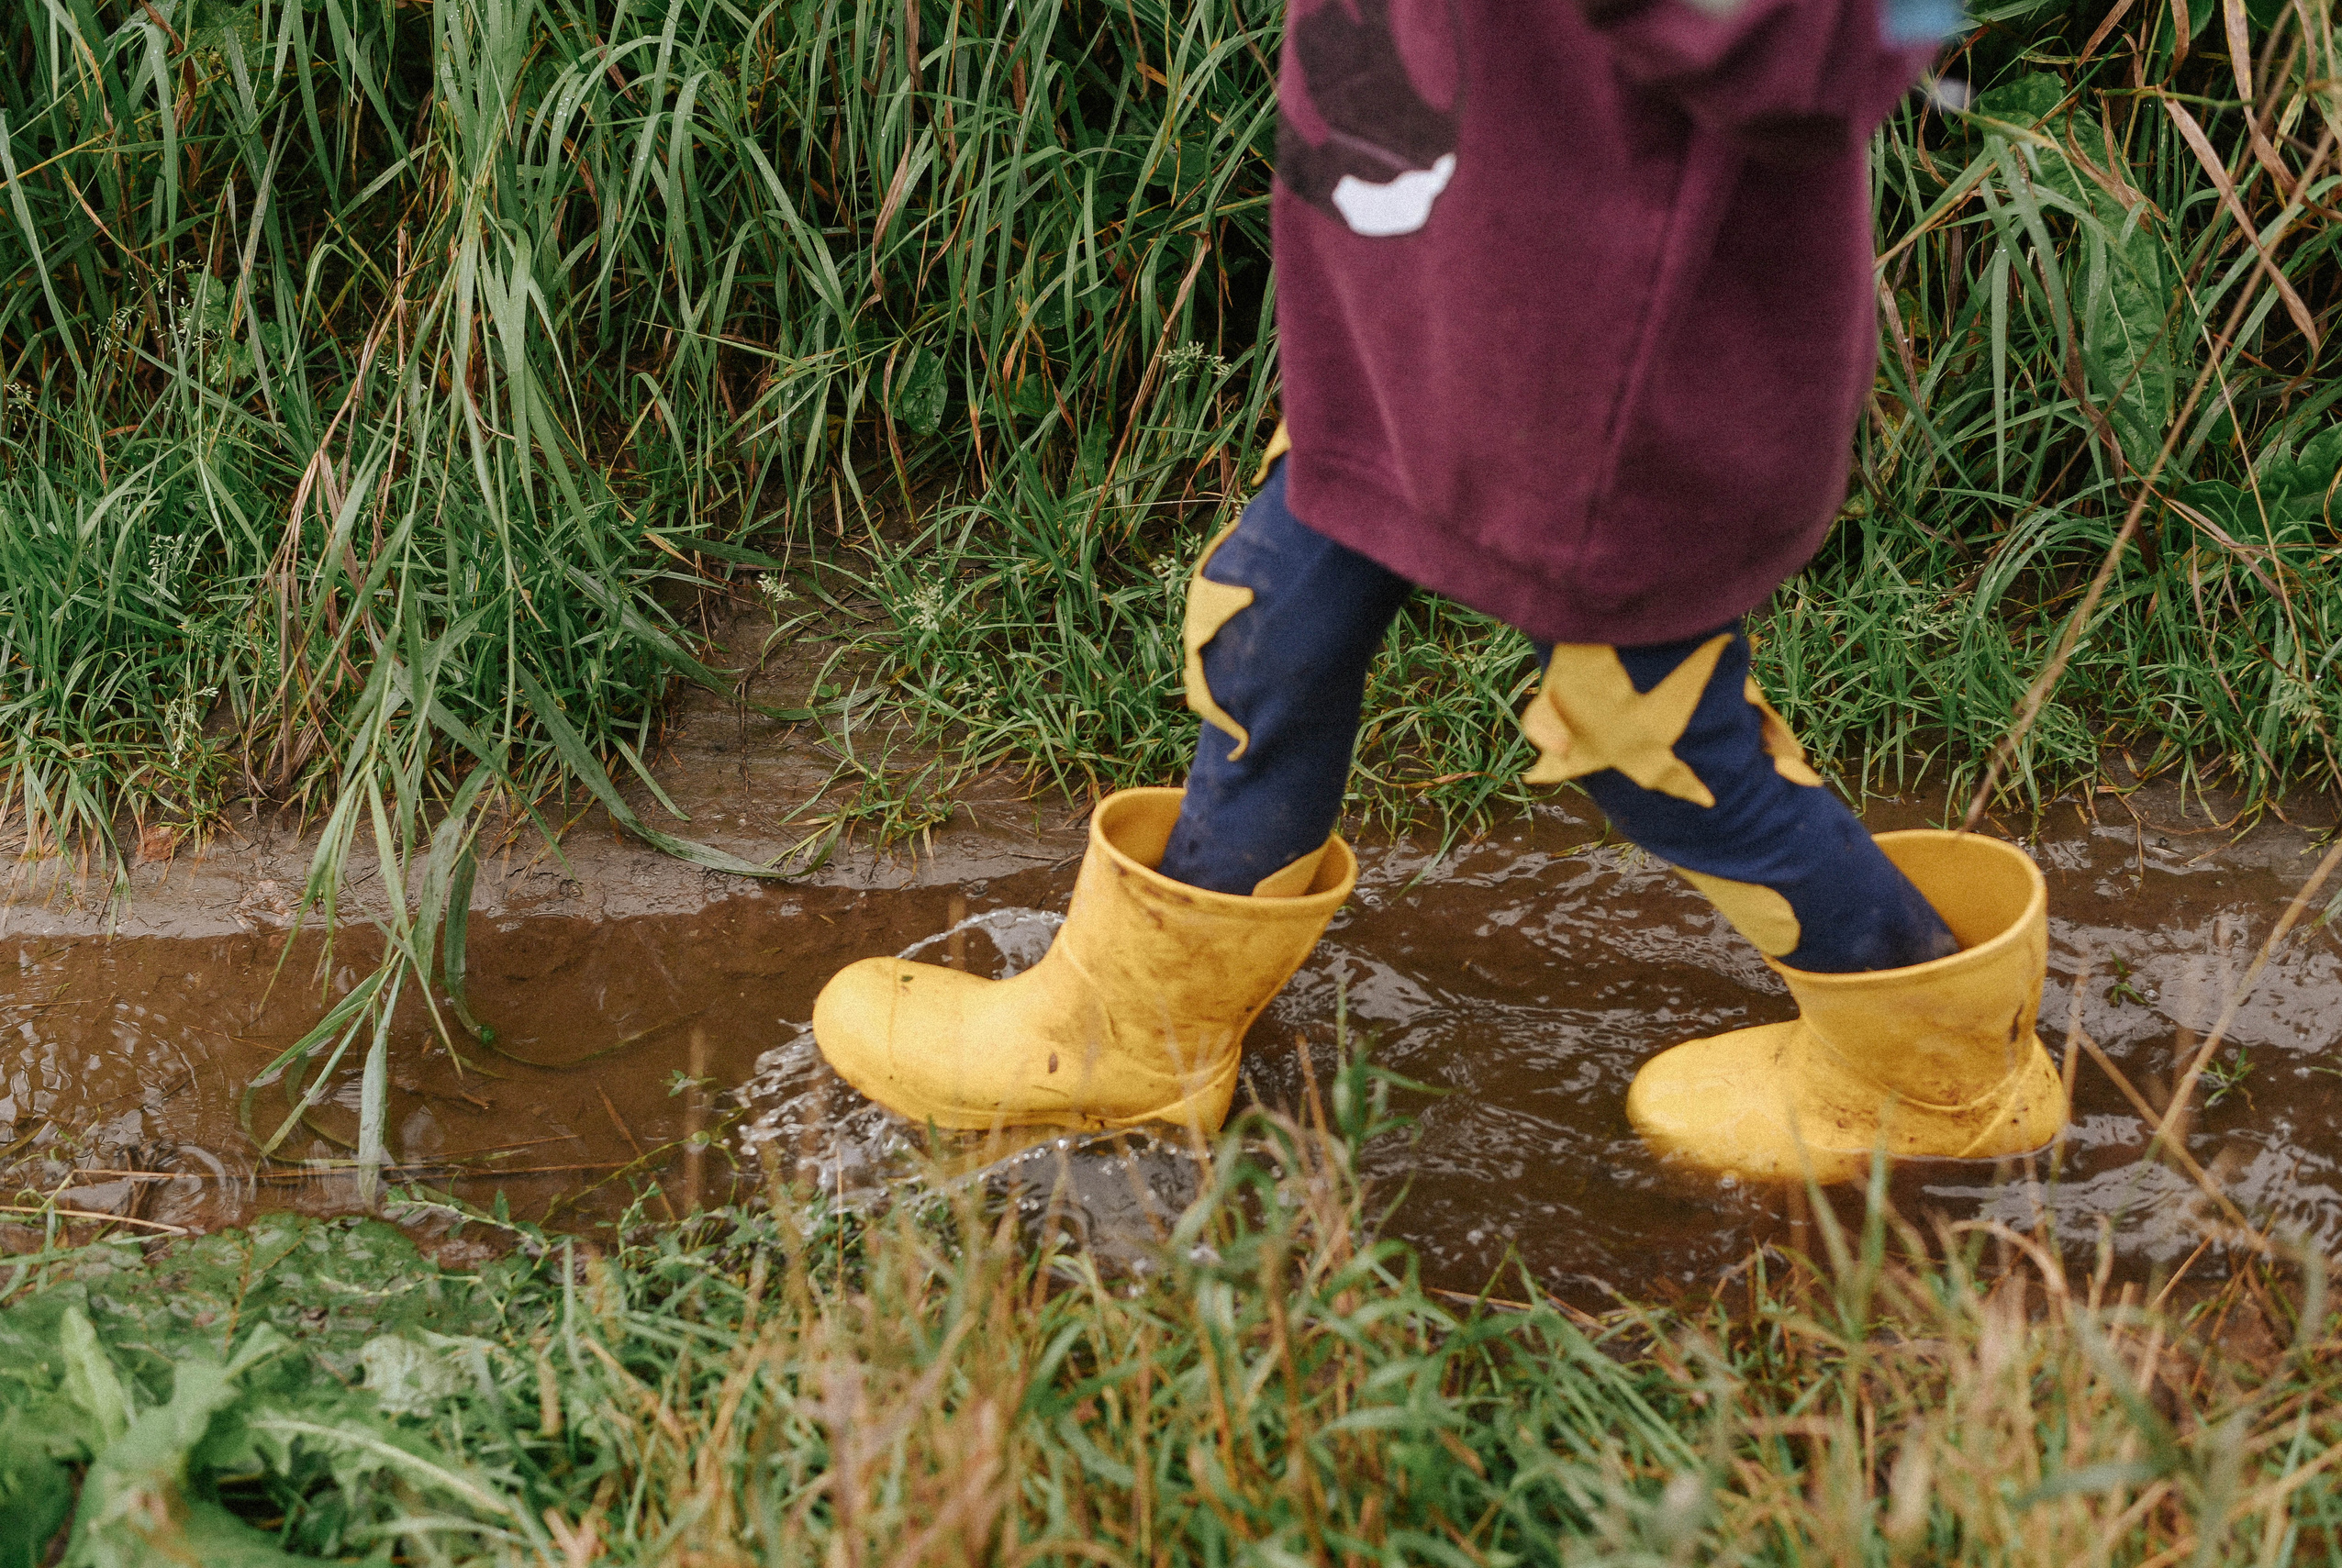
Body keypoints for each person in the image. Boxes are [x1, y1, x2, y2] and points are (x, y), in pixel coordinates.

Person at [811, 0, 2067, 1178]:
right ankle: (1140, 1039)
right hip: (1418, 329)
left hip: (1605, 384)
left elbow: (1819, 51)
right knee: (1269, 622)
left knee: (1651, 738)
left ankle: (1942, 1070)